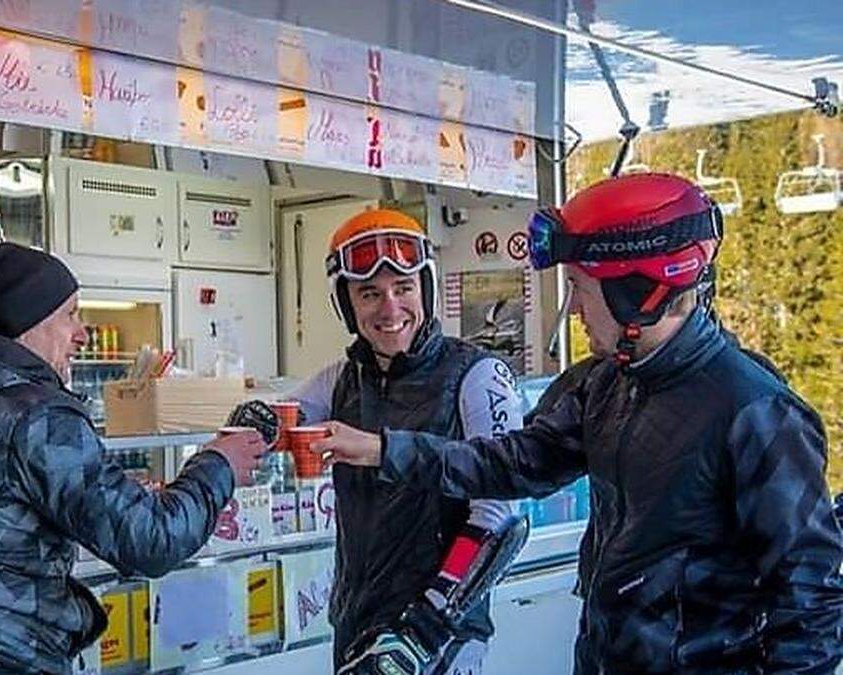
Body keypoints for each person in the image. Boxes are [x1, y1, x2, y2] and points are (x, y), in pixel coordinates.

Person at [316, 174, 843, 673]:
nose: (572, 309)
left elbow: (811, 598)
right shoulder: (605, 384)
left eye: (580, 288)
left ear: (636, 293)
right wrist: (384, 450)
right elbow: (512, 463)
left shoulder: (754, 412)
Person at [0, 241, 264, 675]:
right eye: (70, 314)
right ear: (25, 320)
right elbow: (151, 541)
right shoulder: (33, 413)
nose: (81, 332)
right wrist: (217, 465)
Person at [284, 209, 522, 671]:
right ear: (346, 304)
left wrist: (428, 621)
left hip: (438, 638)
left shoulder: (477, 375)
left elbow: (499, 516)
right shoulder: (341, 379)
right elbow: (279, 417)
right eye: (370, 293)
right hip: (357, 625)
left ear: (426, 291)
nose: (389, 309)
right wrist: (246, 426)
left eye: (403, 288)